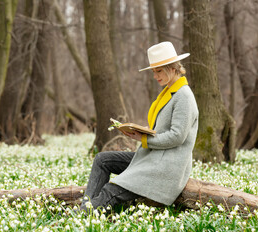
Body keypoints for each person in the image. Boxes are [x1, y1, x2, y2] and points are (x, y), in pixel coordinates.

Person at [80, 41, 199, 212]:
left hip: (166, 167)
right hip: (153, 158)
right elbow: (164, 130)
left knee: (111, 190)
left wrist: (144, 139)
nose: (155, 75)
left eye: (159, 71)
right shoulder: (169, 92)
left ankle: (84, 215)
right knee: (102, 160)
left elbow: (177, 136)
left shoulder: (184, 96)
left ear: (173, 68)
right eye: (153, 71)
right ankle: (86, 209)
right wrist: (140, 132)